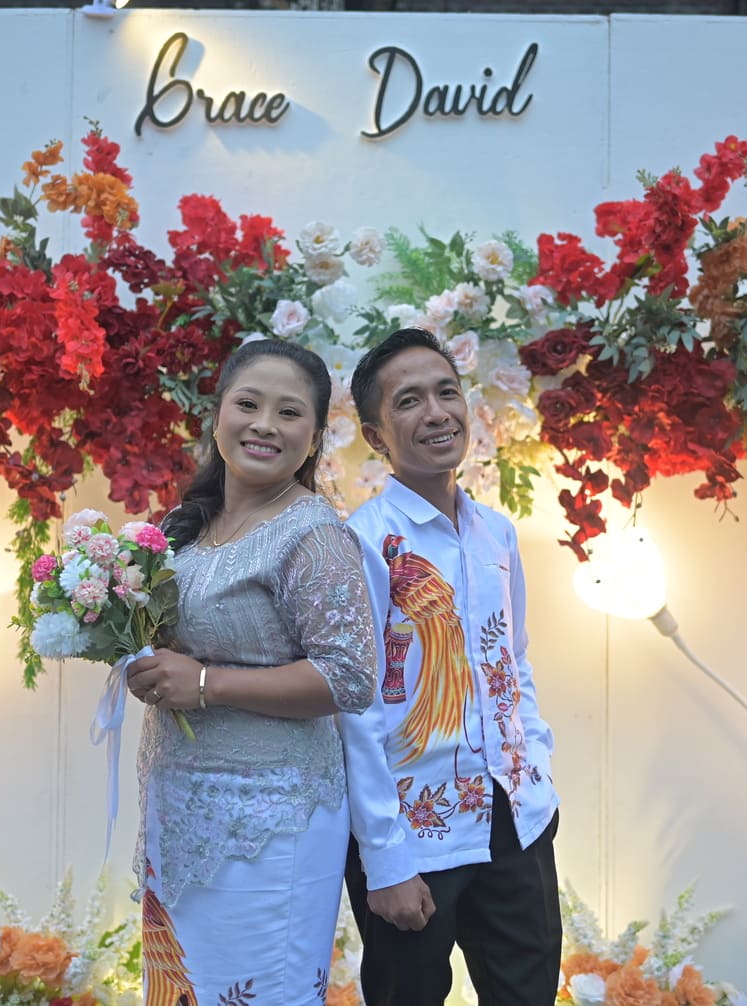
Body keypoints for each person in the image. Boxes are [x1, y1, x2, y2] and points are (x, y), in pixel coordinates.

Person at [123, 338, 378, 1004]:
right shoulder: (187, 527)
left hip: (270, 822)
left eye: (289, 413)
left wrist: (206, 685)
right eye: (248, 404)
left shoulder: (313, 535)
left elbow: (350, 677)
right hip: (179, 808)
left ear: (314, 438)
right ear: (218, 416)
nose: (264, 424)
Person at [339, 328, 562, 1005]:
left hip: (516, 819)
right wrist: (383, 858)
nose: (436, 413)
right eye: (409, 401)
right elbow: (354, 708)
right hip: (414, 831)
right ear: (376, 436)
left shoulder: (497, 532)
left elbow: (513, 660)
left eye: (447, 393)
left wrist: (537, 767)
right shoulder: (363, 542)